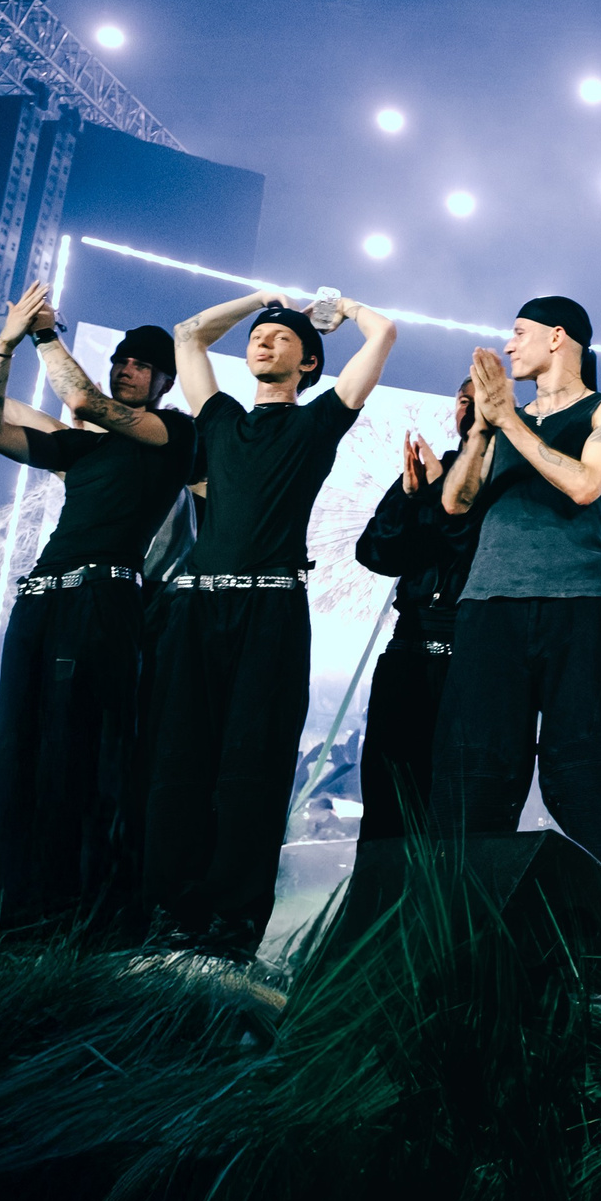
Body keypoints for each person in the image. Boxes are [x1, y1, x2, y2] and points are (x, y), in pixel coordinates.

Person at [0, 279, 193, 941]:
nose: (125, 367)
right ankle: (8, 924)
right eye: (120, 360)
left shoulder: (172, 435)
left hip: (103, 599)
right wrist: (2, 350)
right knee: (17, 748)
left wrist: (42, 331)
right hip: (41, 597)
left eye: (140, 363)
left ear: (162, 379)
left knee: (80, 755)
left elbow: (79, 400)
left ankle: (82, 921)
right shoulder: (87, 448)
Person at [141, 289, 395, 958]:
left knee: (252, 769)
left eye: (281, 338)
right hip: (197, 608)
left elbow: (384, 334)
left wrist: (343, 308)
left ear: (309, 363)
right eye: (258, 335)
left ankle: (232, 924)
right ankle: (170, 910)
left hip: (272, 610)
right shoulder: (219, 417)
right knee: (177, 763)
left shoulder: (317, 423)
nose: (263, 341)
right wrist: (262, 299)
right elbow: (189, 332)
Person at [432, 298, 601, 891]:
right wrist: (481, 429)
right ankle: (465, 944)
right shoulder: (501, 420)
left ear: (557, 336)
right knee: (473, 779)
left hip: (576, 610)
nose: (509, 345)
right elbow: (456, 501)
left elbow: (585, 483)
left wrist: (510, 421)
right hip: (488, 610)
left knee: (587, 780)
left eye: (519, 333)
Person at [351, 379, 482, 845]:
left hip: (470, 662)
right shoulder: (429, 471)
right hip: (406, 653)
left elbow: (468, 544)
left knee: (454, 810)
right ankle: (380, 914)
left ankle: (446, 917)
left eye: (479, 398)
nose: (467, 406)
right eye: (462, 398)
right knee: (386, 805)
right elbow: (373, 552)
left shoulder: (509, 479)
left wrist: (433, 498)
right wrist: (412, 498)